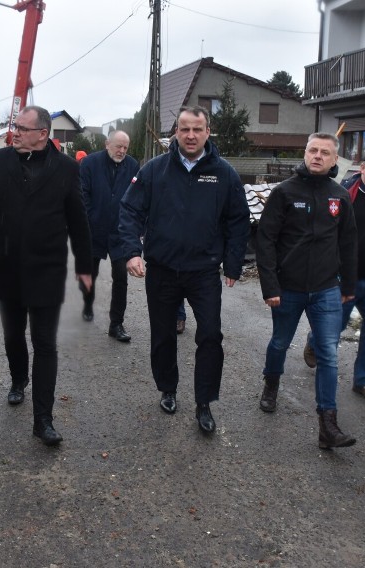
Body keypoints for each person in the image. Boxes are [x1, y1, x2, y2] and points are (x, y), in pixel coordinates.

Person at [0, 105, 93, 446]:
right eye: (14, 127)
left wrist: (85, 265)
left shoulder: (66, 168)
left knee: (46, 344)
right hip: (5, 266)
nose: (15, 133)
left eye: (22, 128)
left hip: (47, 268)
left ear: (42, 133)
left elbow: (78, 220)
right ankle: (18, 378)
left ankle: (43, 420)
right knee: (13, 335)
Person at [119, 106, 251, 434]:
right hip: (162, 269)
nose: (190, 135)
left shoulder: (224, 174)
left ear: (208, 132)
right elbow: (129, 210)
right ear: (175, 131)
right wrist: (132, 252)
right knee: (163, 336)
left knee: (210, 335)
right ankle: (168, 389)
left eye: (198, 129)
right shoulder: (154, 170)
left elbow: (238, 220)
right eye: (184, 129)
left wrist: (233, 263)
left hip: (204, 271)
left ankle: (204, 402)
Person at [255, 132, 358, 450]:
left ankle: (328, 424)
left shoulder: (339, 196)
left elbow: (349, 243)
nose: (317, 156)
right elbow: (266, 240)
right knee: (280, 343)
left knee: (328, 354)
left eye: (325, 152)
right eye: (313, 150)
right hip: (288, 289)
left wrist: (348, 285)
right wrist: (270, 285)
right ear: (305, 153)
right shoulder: (284, 193)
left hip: (327, 288)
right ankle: (271, 384)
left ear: (334, 159)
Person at [303, 149, 365, 403]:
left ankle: (364, 381)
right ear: (363, 169)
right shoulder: (344, 196)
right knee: (333, 327)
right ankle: (314, 343)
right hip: (343, 278)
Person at [78, 130, 139, 342]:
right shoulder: (89, 164)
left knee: (121, 277)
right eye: (118, 146)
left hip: (120, 231)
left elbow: (135, 197)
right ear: (107, 144)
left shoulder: (133, 166)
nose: (122, 151)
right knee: (90, 272)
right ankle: (87, 302)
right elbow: (82, 194)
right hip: (94, 229)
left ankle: (116, 324)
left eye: (125, 147)